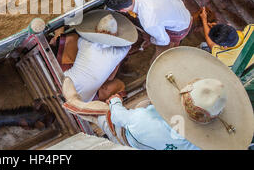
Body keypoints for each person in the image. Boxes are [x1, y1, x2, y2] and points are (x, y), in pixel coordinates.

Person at [63, 47, 254, 150]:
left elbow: (120, 117)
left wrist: (114, 101)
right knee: (145, 104)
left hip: (130, 135)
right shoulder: (203, 144)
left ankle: (73, 101)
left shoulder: (143, 120)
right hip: (153, 142)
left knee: (103, 113)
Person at [60, 9, 138, 111]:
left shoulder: (85, 43)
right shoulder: (118, 53)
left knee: (71, 40)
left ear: (96, 30)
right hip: (84, 100)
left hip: (65, 80)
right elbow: (127, 46)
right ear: (115, 35)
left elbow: (82, 36)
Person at [104, 0, 192, 61]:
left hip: (181, 26)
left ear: (122, 11)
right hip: (178, 5)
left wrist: (151, 39)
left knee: (159, 58)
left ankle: (157, 62)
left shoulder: (149, 22)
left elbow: (164, 40)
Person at [199, 6, 253, 71]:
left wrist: (204, 20)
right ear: (229, 25)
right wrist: (221, 30)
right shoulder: (251, 29)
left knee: (203, 45)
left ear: (224, 46)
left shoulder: (220, 56)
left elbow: (210, 43)